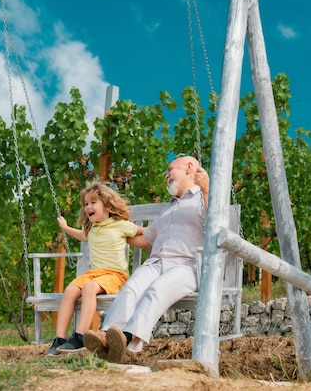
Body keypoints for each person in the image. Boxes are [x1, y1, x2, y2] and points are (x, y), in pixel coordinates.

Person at [82, 155, 208, 363]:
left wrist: (206, 190)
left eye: (170, 169)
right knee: (131, 288)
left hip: (187, 264)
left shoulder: (203, 199)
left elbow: (216, 226)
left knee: (155, 290)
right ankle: (106, 336)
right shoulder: (169, 208)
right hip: (156, 262)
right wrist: (111, 231)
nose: (166, 175)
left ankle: (126, 337)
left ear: (189, 168)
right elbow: (145, 239)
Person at [45, 181, 145, 356]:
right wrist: (65, 228)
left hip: (115, 274)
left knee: (89, 287)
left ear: (106, 205)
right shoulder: (91, 229)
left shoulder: (120, 225)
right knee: (70, 290)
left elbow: (144, 231)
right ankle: (59, 339)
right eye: (86, 204)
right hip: (94, 274)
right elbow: (81, 235)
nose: (88, 207)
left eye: (93, 203)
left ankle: (80, 336)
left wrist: (165, 230)